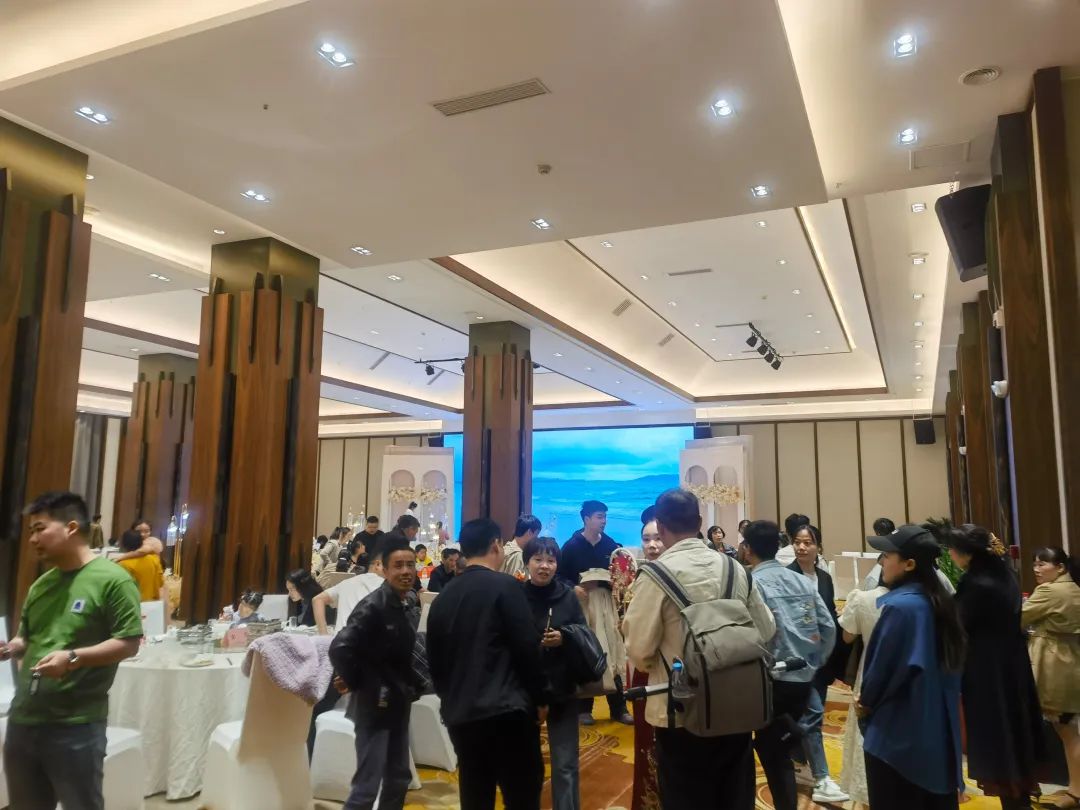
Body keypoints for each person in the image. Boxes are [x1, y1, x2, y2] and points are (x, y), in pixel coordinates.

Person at [624, 493, 776, 810]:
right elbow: (765, 630)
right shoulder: (734, 568)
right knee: (734, 796)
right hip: (737, 706)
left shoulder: (655, 576)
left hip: (679, 712)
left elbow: (639, 650)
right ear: (699, 523)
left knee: (686, 798)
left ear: (660, 527)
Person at [1, 491, 142, 810]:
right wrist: (9, 648)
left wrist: (73, 658)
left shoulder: (113, 580)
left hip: (76, 724)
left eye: (40, 529)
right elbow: (27, 639)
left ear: (71, 527)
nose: (32, 539)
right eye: (30, 531)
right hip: (23, 720)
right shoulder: (42, 584)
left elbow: (129, 642)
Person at [426, 518, 549, 810]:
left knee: (475, 793)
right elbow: (526, 647)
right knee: (521, 794)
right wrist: (541, 698)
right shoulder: (506, 586)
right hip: (507, 712)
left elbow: (435, 658)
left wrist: (449, 700)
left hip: (461, 714)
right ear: (496, 545)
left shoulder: (443, 597)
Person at [858, 524, 965, 810]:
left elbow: (881, 673)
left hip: (897, 739)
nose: (882, 562)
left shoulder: (902, 608)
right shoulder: (940, 603)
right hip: (936, 733)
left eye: (887, 555)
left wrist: (864, 705)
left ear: (909, 564)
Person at [943, 525, 1044, 810]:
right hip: (1012, 664)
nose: (950, 554)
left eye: (952, 549)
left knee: (998, 739)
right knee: (1015, 734)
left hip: (988, 670)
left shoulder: (977, 583)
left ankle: (1014, 802)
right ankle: (1019, 800)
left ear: (966, 553)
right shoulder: (1005, 575)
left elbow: (957, 624)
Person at [741, 519, 835, 810]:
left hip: (768, 679)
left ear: (747, 549)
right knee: (778, 746)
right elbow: (828, 626)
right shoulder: (801, 580)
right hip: (802, 678)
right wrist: (814, 663)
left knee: (762, 748)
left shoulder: (750, 583)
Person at [329, 535, 422, 810]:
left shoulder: (405, 602)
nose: (406, 571)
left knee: (398, 778)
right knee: (367, 787)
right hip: (373, 705)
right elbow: (340, 647)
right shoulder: (374, 605)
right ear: (384, 569)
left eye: (410, 565)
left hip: (397, 700)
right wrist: (357, 680)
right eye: (398, 566)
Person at [522, 536, 589, 810]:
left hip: (562, 687)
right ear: (527, 562)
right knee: (525, 764)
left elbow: (583, 633)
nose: (544, 566)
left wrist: (564, 637)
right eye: (538, 559)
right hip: (525, 690)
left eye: (550, 560)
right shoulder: (515, 596)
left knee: (565, 764)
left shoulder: (567, 596)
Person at [787, 524, 849, 804]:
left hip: (822, 658)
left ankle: (797, 757)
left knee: (813, 712)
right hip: (798, 658)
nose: (801, 547)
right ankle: (822, 777)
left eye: (807, 542)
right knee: (812, 714)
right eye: (797, 542)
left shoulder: (824, 578)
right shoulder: (787, 576)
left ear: (818, 547)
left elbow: (829, 616)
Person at [558, 500, 632, 725]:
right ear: (586, 519)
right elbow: (559, 577)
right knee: (585, 652)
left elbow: (621, 575)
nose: (604, 521)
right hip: (583, 605)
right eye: (599, 516)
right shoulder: (571, 546)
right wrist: (574, 588)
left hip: (606, 604)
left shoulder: (610, 545)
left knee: (613, 650)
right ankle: (584, 708)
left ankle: (618, 708)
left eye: (605, 517)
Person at [1022, 547, 1080, 810]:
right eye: (1035, 564)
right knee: (1069, 730)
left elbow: (1019, 617)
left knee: (1067, 731)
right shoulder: (1073, 588)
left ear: (1060, 567)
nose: (1036, 569)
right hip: (1071, 662)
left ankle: (1076, 793)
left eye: (1042, 564)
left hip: (1056, 666)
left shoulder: (1049, 591)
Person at [837, 576, 889, 806]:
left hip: (869, 669)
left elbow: (847, 636)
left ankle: (867, 795)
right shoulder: (927, 597)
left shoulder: (863, 598)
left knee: (865, 732)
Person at [629, 519, 665, 810]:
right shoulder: (642, 577)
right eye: (646, 539)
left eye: (657, 538)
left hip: (667, 673)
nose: (652, 545)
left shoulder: (661, 576)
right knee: (646, 745)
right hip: (645, 672)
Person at [115, 528, 164, 601]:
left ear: (123, 544)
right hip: (153, 604)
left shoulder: (122, 565)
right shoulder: (154, 559)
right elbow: (161, 583)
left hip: (134, 605)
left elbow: (121, 590)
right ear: (142, 543)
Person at [504, 514, 542, 579]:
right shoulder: (517, 555)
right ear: (529, 532)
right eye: (537, 534)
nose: (537, 538)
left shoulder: (506, 548)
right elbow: (515, 582)